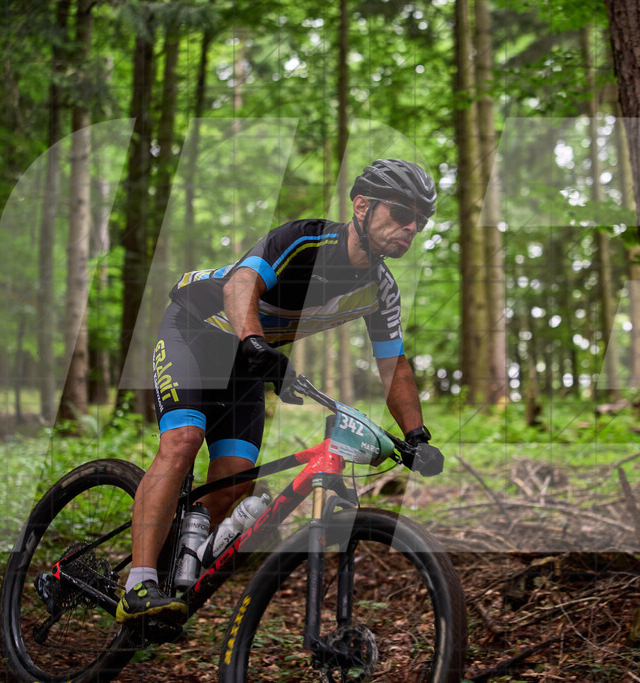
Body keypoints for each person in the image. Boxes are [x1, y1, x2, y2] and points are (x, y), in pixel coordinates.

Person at [116, 159, 446, 624]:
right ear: (362, 206)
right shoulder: (305, 239)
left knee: (235, 476)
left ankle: (178, 558)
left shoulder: (380, 289)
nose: (410, 227)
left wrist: (417, 436)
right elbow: (241, 284)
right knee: (184, 442)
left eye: (420, 220)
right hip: (194, 330)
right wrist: (254, 340)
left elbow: (393, 365)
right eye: (400, 213)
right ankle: (138, 583)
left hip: (246, 359)